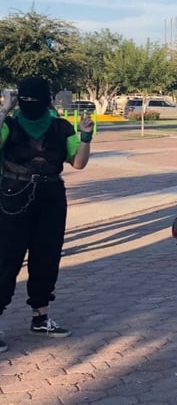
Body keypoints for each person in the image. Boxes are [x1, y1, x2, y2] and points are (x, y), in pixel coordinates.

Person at [0, 77, 94, 353]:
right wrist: (4, 109)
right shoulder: (10, 124)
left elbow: (78, 162)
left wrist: (85, 135)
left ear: (47, 100)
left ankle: (40, 317)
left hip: (51, 197)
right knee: (7, 258)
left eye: (36, 99)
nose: (32, 104)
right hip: (12, 195)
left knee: (47, 257)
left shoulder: (60, 127)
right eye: (25, 99)